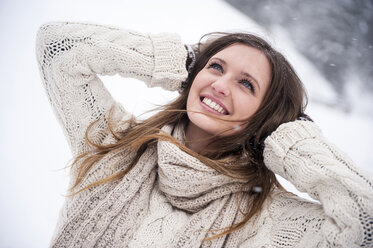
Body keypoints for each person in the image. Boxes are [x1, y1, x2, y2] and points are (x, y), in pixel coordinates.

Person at [36, 22, 373, 248]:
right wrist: (184, 61)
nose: (220, 85)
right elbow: (59, 47)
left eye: (246, 84)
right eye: (215, 67)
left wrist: (290, 138)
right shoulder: (113, 145)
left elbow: (365, 224)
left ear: (266, 118)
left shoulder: (267, 221)